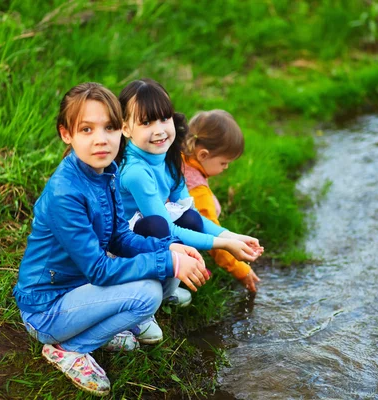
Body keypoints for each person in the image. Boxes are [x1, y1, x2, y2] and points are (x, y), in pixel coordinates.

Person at [13, 82, 209, 397]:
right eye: (87, 129)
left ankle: (91, 328)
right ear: (67, 134)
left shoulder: (108, 171)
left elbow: (119, 237)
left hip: (76, 292)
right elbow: (99, 269)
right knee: (147, 294)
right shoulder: (66, 193)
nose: (101, 139)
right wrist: (167, 261)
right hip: (46, 308)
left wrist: (167, 247)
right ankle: (69, 348)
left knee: (153, 278)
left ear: (121, 130)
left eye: (110, 127)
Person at [117, 78, 263, 306]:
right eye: (146, 123)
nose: (159, 131)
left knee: (191, 218)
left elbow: (192, 214)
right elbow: (166, 230)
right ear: (126, 128)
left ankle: (165, 291)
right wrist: (223, 245)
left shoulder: (170, 157)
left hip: (151, 233)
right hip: (120, 244)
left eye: (164, 119)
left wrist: (230, 236)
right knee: (158, 227)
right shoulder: (135, 171)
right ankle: (143, 300)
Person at [183, 110, 261, 292]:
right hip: (170, 239)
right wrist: (241, 270)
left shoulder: (179, 155)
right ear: (202, 155)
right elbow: (212, 238)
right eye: (224, 163)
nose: (226, 168)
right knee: (208, 211)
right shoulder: (197, 190)